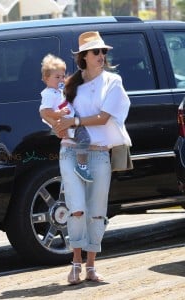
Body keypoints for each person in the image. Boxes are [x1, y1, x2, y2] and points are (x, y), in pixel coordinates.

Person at [41, 31, 131, 284]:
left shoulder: (113, 81)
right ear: (83, 56)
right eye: (96, 52)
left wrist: (75, 121)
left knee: (96, 212)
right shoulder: (69, 83)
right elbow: (52, 110)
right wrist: (57, 125)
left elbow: (104, 117)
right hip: (70, 152)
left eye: (104, 51)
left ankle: (91, 267)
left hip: (100, 153)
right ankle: (75, 264)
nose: (101, 55)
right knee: (77, 208)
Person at [39, 53, 93, 182]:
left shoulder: (57, 90)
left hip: (71, 117)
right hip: (66, 121)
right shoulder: (48, 94)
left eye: (63, 76)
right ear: (46, 78)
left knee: (84, 135)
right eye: (57, 77)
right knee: (84, 139)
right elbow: (46, 111)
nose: (61, 80)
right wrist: (60, 113)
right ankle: (82, 166)